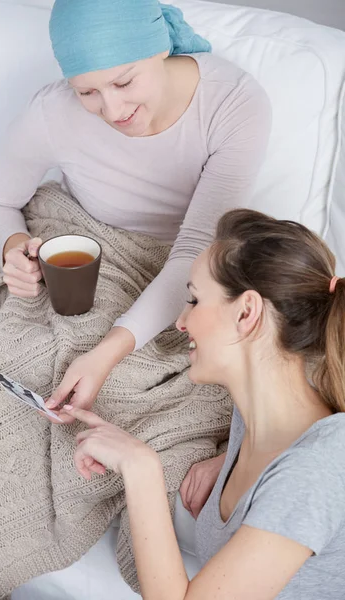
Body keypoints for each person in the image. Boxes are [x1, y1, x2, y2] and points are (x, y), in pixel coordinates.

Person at [0, 0, 271, 424]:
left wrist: (106, 354)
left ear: (160, 48)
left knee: (134, 396)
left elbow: (198, 248)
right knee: (13, 363)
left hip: (184, 274)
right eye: (87, 92)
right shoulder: (53, 112)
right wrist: (12, 247)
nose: (112, 111)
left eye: (124, 82)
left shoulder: (234, 104)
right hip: (84, 244)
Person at [59, 208, 345, 599]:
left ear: (247, 312)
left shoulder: (314, 470)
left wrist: (141, 468)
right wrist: (227, 460)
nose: (180, 321)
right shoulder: (260, 413)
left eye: (194, 300)